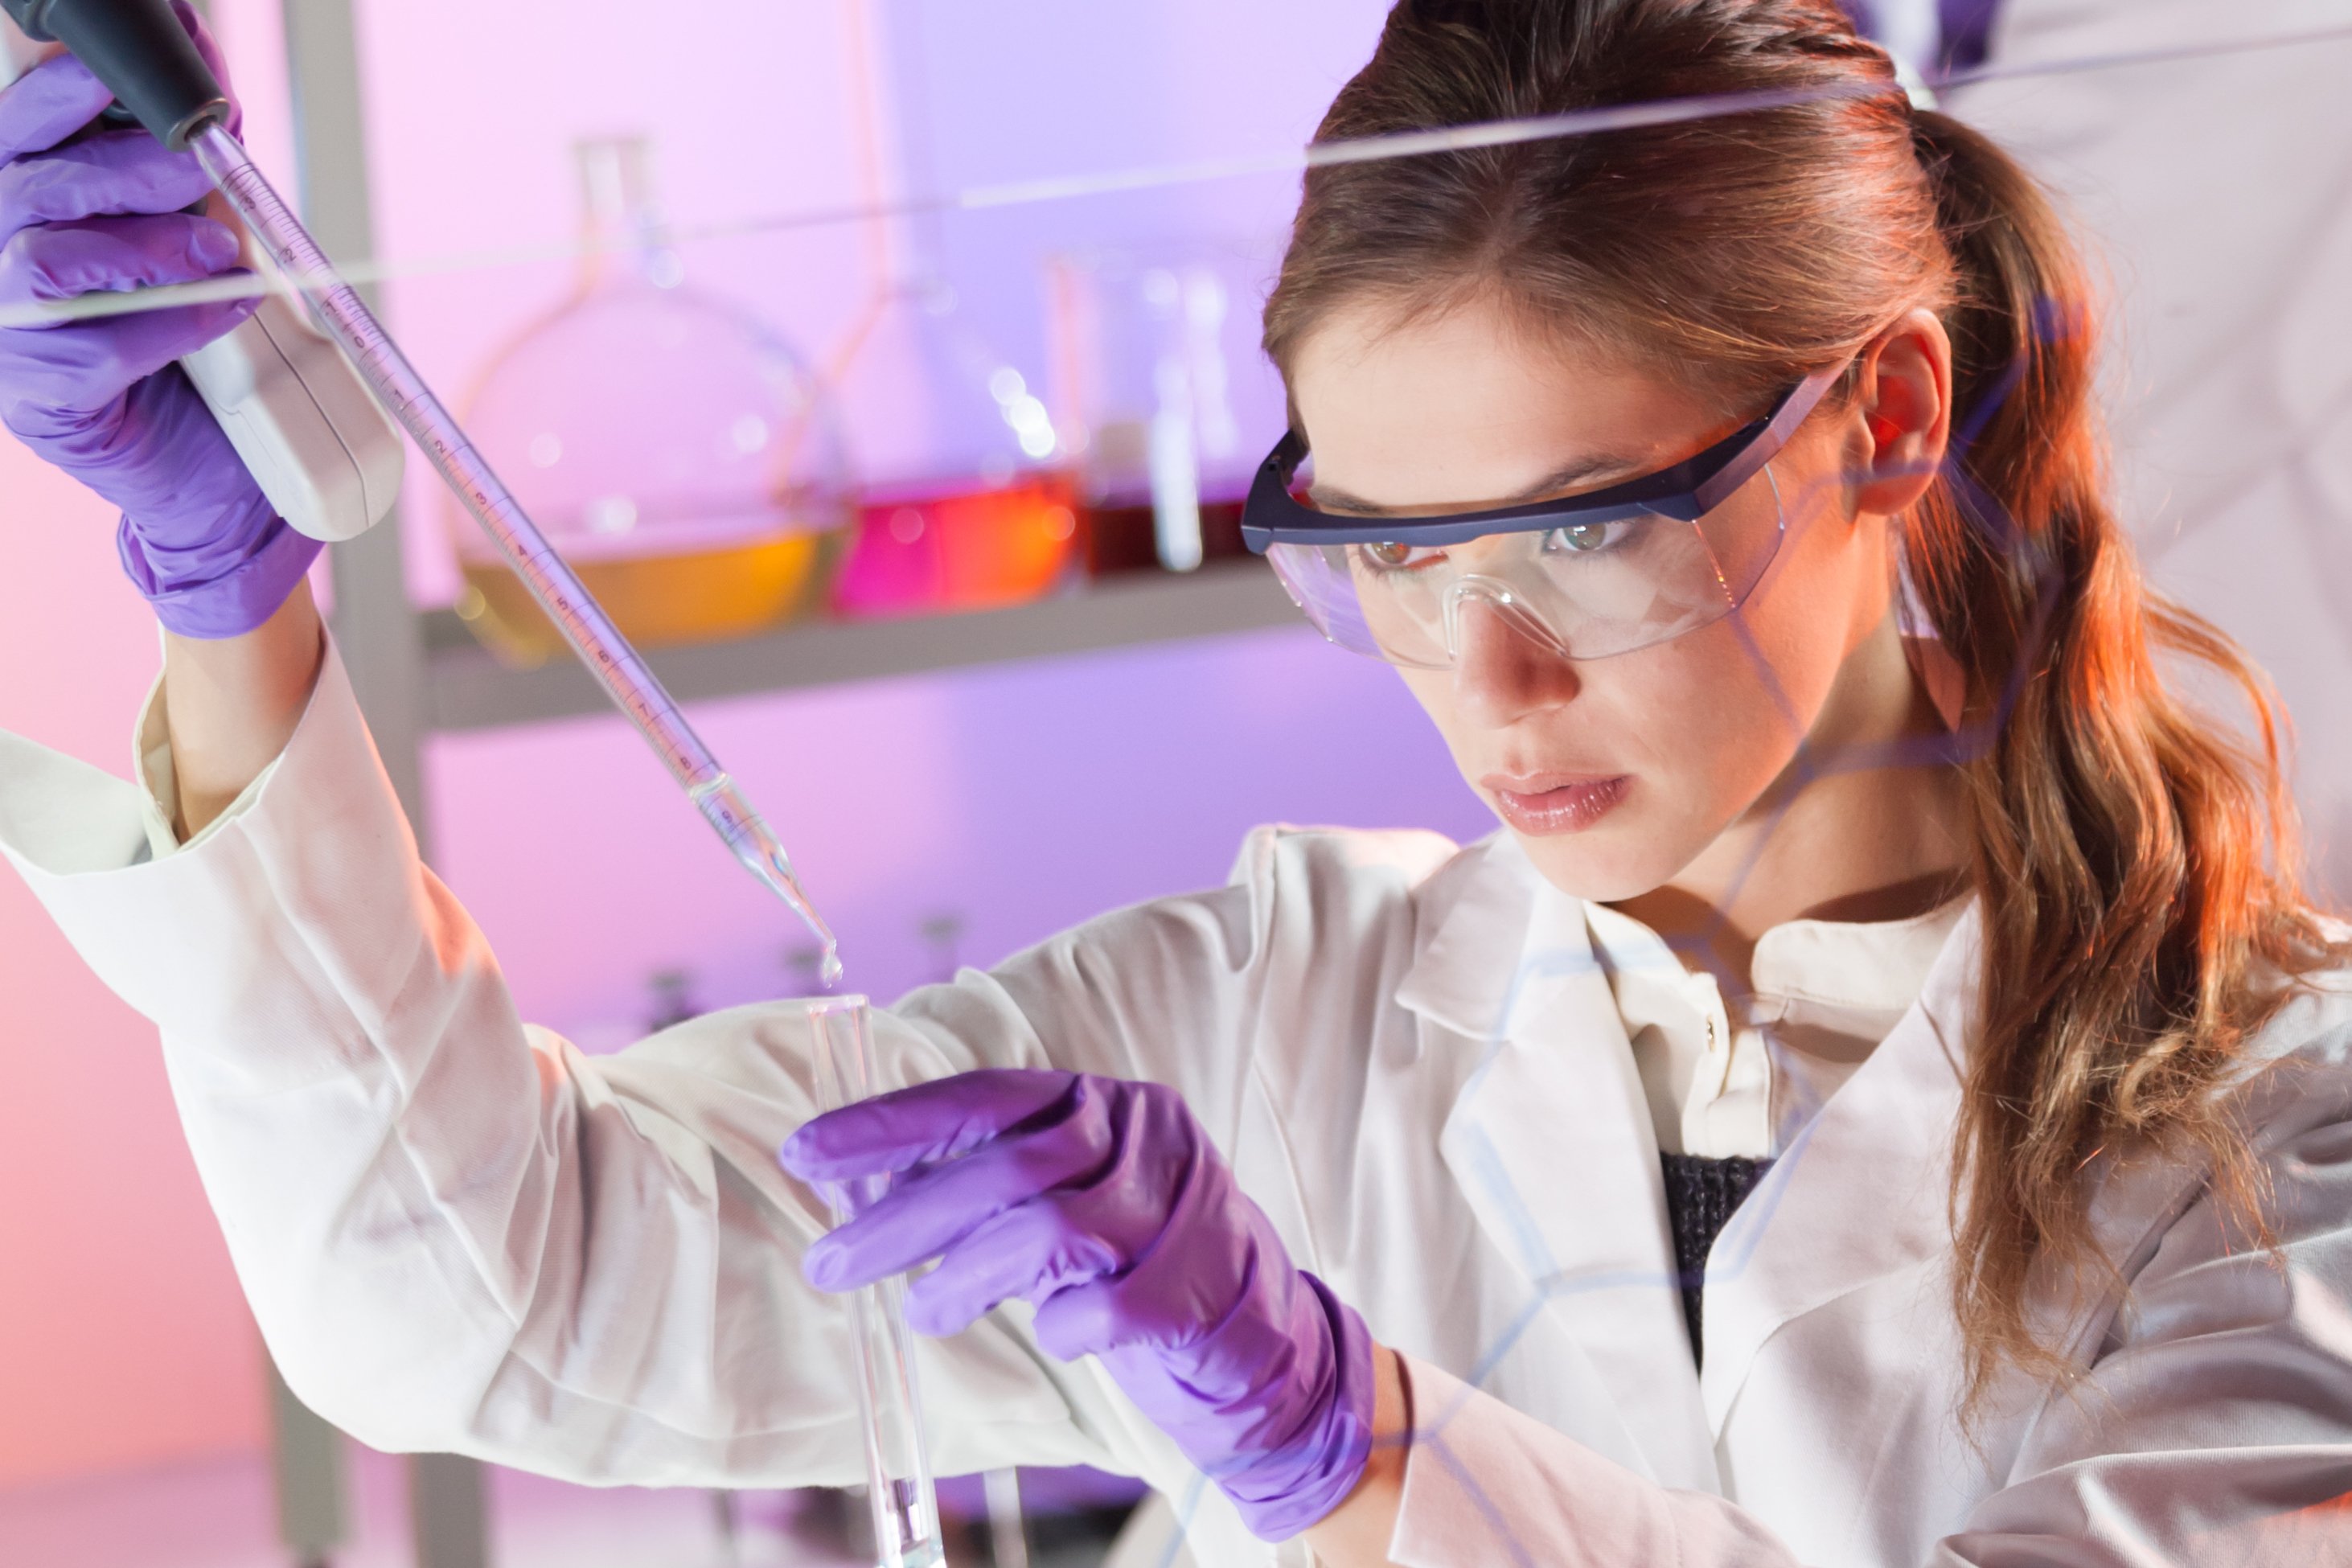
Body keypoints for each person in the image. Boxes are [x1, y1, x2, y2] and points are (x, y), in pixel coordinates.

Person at [3, 2, 2348, 1562]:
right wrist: (233, 594)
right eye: (1390, 553)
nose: (1489, 678)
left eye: (1586, 533)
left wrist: (1351, 1442)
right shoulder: (1279, 1008)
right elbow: (477, 1294)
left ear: (1891, 418)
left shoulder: (2293, 1128)